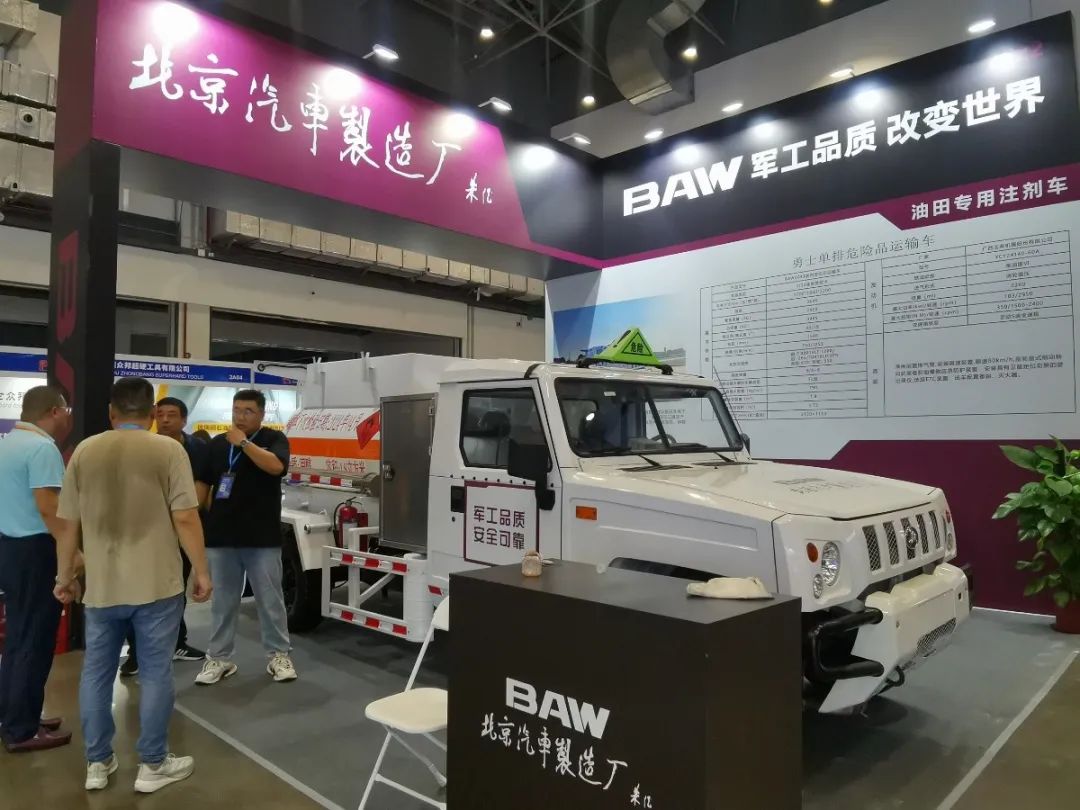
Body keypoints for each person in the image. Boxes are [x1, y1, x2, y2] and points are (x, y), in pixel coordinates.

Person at [54, 378, 213, 794]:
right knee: (157, 673)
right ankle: (153, 764)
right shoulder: (168, 450)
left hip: (102, 586)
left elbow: (67, 523)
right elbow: (186, 517)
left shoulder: (84, 451)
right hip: (157, 585)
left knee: (96, 674)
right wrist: (201, 570)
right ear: (152, 414)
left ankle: (97, 762)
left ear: (111, 412)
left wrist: (64, 576)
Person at [195, 389, 296, 685]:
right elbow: (202, 488)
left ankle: (278, 655)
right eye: (236, 410)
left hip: (261, 537)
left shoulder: (274, 439)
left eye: (248, 411)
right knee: (223, 602)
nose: (240, 416)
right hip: (222, 537)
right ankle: (219, 657)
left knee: (270, 599)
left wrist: (243, 443)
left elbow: (276, 466)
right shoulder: (217, 445)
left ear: (262, 414)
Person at [0, 386, 73, 753]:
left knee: (17, 637)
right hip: (35, 551)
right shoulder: (42, 448)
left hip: (10, 548)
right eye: (67, 410)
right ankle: (22, 729)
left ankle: (13, 714)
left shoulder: (8, 442)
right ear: (55, 411)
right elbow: (49, 509)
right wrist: (72, 556)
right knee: (35, 640)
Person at [119, 397, 208, 677]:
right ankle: (137, 653)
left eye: (172, 415)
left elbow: (199, 492)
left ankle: (176, 643)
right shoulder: (142, 447)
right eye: (161, 414)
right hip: (144, 533)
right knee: (140, 593)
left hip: (181, 534)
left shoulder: (197, 449)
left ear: (184, 419)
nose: (166, 420)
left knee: (176, 591)